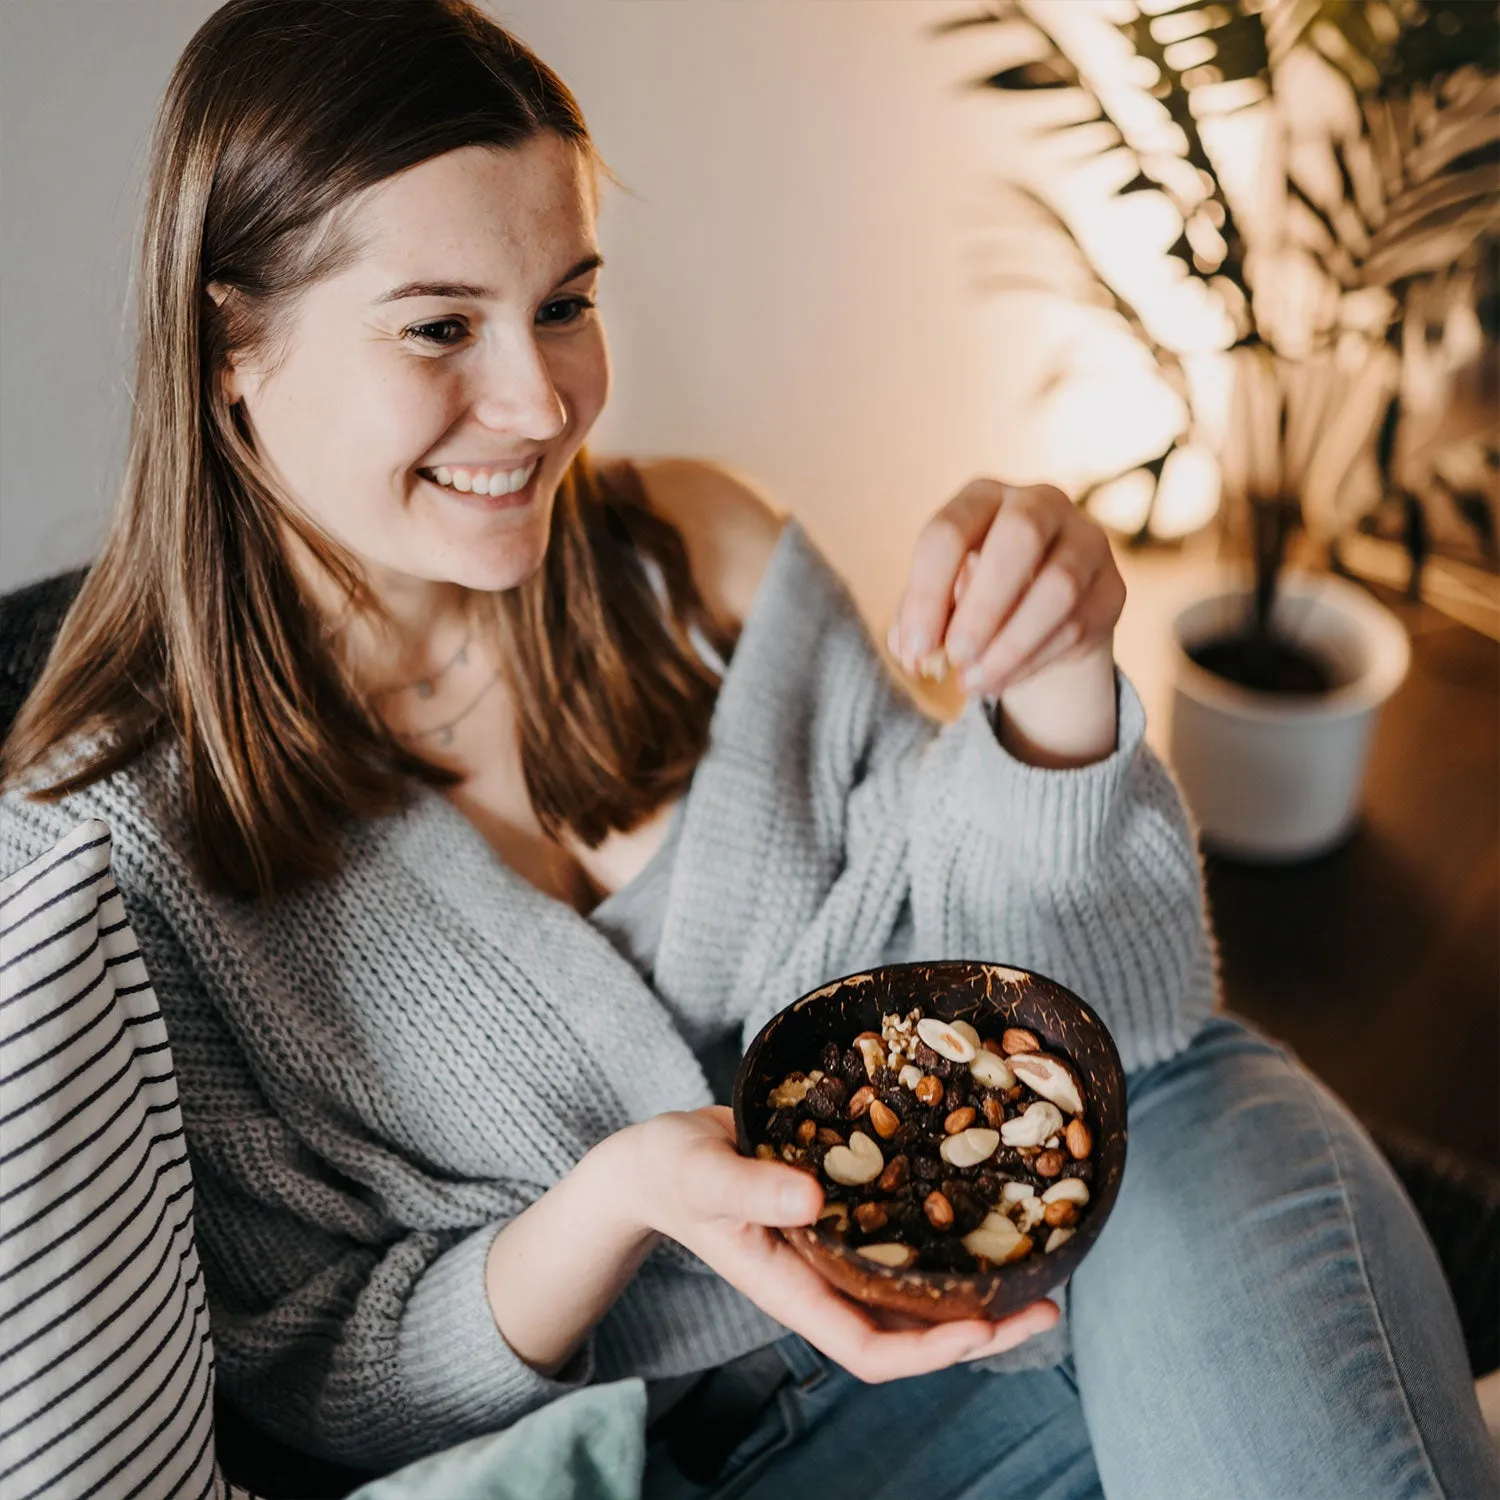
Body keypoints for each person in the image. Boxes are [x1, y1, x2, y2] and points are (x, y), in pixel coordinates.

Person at [1, 2, 1494, 1495]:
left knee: (1208, 1106)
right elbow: (307, 1390)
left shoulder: (697, 556)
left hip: (1081, 1240)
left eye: (567, 302)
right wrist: (614, 1204)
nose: (540, 405)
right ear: (228, 345)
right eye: (441, 326)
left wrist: (1054, 694)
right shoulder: (109, 850)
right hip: (726, 1454)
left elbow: (1104, 1020)